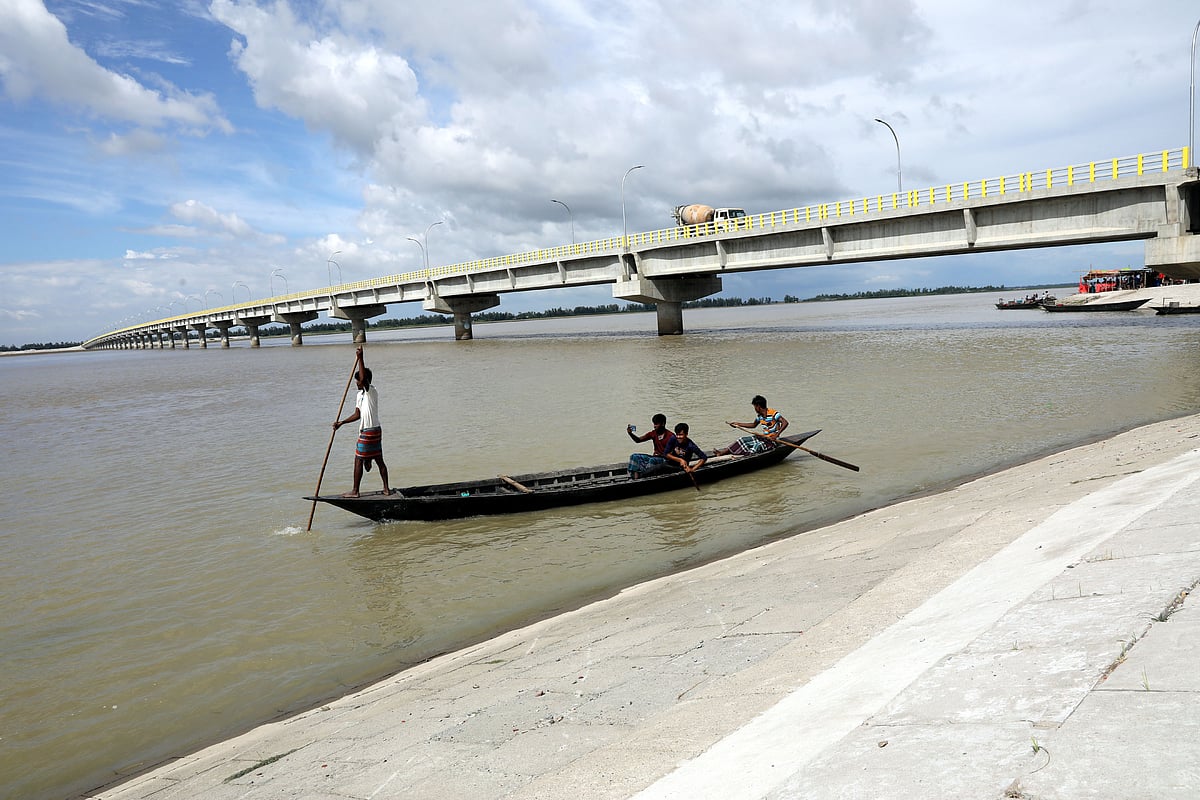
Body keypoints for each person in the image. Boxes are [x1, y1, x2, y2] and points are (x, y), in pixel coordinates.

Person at [333, 346, 393, 497]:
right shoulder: (359, 395)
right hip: (369, 430)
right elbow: (357, 414)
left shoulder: (371, 391)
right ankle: (384, 487)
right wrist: (341, 423)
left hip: (370, 431)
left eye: (358, 381)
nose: (356, 383)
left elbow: (364, 378)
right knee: (378, 459)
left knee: (359, 460)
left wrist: (360, 358)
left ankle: (356, 491)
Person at [712, 395, 789, 456]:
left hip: (773, 441)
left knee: (756, 446)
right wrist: (738, 424)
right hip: (764, 438)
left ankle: (744, 456)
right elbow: (753, 425)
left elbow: (785, 422)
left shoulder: (773, 413)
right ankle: (722, 452)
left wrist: (777, 435)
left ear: (758, 406)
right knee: (741, 440)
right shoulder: (760, 416)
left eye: (755, 407)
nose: (754, 409)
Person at [627, 413, 673, 478]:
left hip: (665, 460)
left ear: (662, 424)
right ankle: (636, 479)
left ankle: (645, 477)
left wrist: (661, 455)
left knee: (652, 460)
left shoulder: (670, 436)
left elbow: (673, 453)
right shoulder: (653, 433)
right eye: (654, 424)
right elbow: (638, 440)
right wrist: (630, 434)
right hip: (655, 457)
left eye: (656, 424)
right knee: (634, 456)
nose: (654, 426)